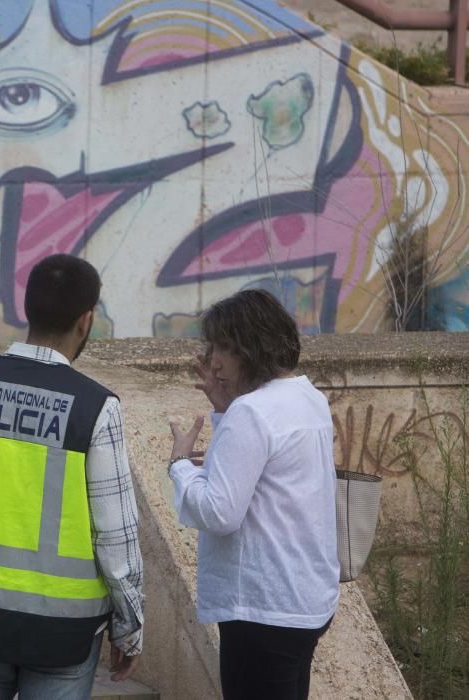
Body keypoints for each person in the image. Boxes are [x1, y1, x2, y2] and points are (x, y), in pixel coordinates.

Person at [0, 254, 145, 699]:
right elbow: (115, 534)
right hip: (60, 628)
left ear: (28, 309)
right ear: (86, 321)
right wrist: (130, 626)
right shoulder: (96, 408)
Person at [167, 288, 340, 700]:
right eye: (213, 347)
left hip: (261, 609)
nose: (214, 361)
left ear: (253, 345)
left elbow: (218, 513)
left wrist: (179, 467)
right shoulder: (307, 397)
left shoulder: (253, 412)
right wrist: (225, 408)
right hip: (305, 601)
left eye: (225, 347)